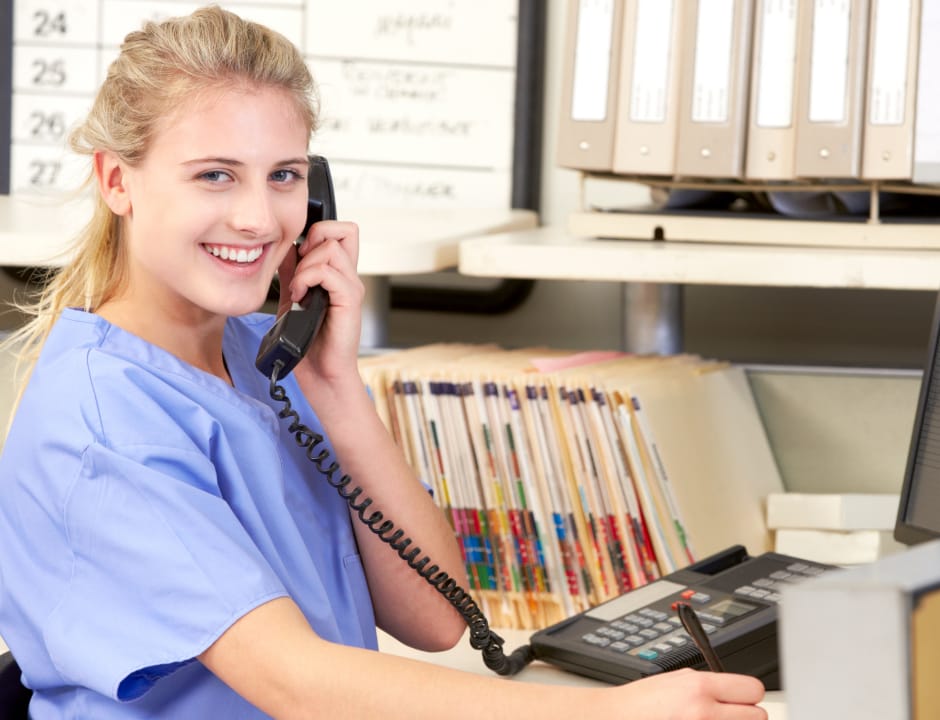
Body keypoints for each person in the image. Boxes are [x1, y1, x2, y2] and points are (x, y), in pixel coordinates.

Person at [0, 6, 768, 719]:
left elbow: (434, 618)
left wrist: (336, 388)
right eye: (215, 174)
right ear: (116, 180)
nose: (259, 217)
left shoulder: (261, 363)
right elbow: (292, 681)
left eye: (285, 176)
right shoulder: (104, 424)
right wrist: (605, 714)